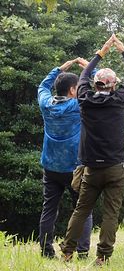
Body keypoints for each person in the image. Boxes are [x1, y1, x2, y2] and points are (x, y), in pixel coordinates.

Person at [60, 34, 124, 265]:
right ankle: (102, 257)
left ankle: (67, 252)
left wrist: (100, 53)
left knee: (81, 210)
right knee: (111, 213)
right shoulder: (120, 99)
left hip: (91, 169)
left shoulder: (84, 99)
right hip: (115, 167)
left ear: (95, 85)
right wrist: (123, 51)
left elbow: (83, 76)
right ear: (114, 86)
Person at [37, 58, 93, 259]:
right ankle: (82, 251)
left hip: (51, 166)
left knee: (49, 208)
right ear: (72, 90)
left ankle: (46, 250)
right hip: (75, 168)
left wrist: (59, 69)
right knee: (83, 209)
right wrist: (88, 68)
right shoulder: (77, 105)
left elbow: (43, 85)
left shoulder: (46, 104)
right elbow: (99, 90)